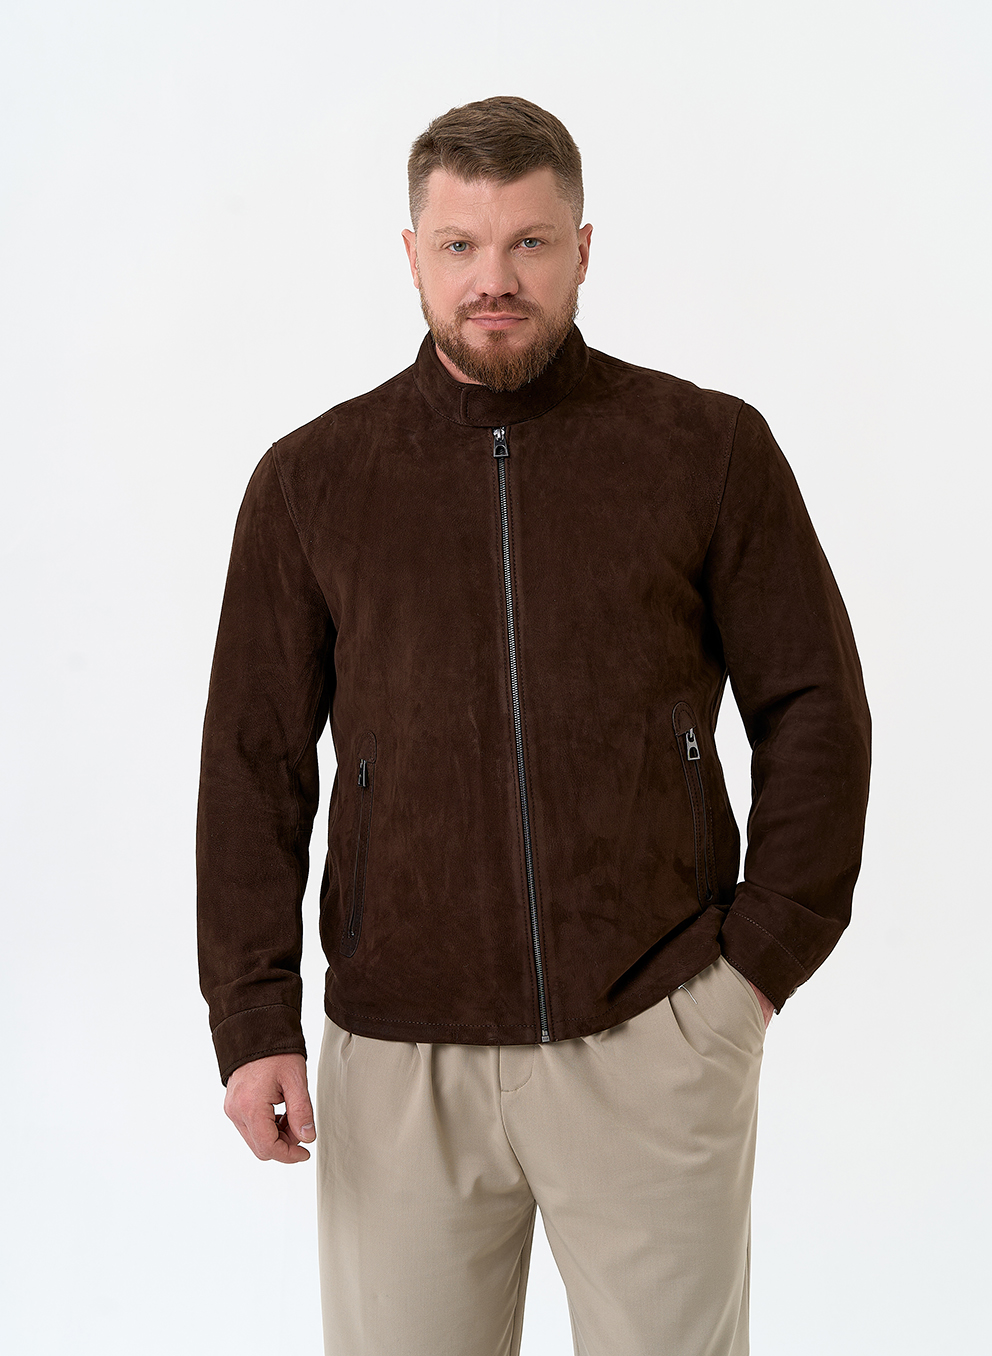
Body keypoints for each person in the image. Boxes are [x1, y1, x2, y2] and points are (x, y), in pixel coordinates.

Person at [197, 95, 871, 1356]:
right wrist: (251, 1021)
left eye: (528, 243)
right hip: (399, 1056)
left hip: (651, 1028)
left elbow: (814, 707)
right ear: (412, 255)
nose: (492, 280)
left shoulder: (705, 449)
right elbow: (253, 765)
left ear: (582, 249)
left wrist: (752, 971)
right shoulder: (312, 480)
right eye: (460, 245)